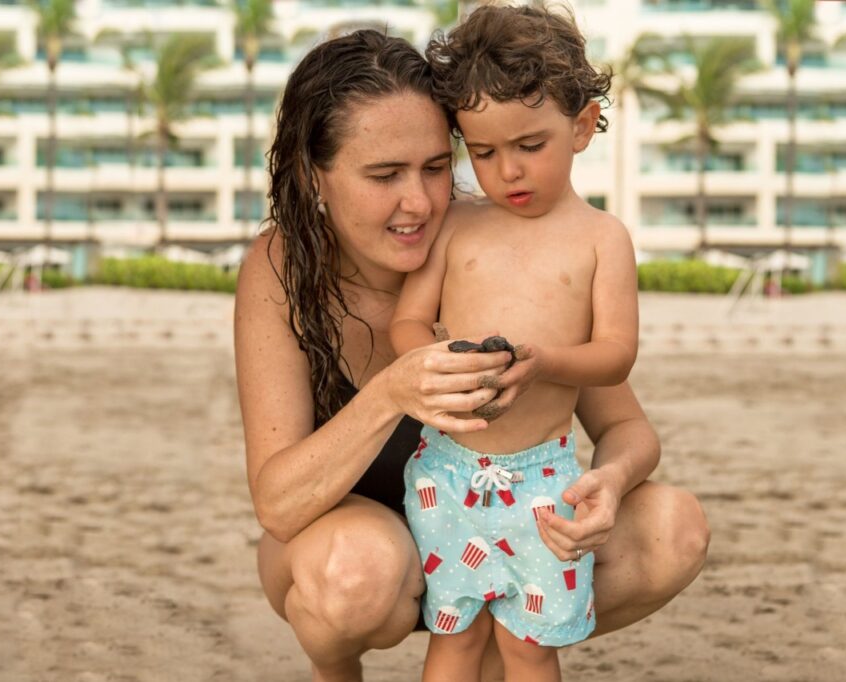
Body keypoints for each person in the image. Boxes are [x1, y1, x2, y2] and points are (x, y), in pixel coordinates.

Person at [234, 28, 709, 682]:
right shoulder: (281, 268)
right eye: (383, 175)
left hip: (502, 530)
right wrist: (395, 392)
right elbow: (279, 506)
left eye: (436, 167)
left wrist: (611, 481)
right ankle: (337, 674)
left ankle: (498, 641)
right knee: (354, 574)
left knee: (671, 529)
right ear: (316, 174)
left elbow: (626, 426)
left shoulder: (495, 242)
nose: (421, 203)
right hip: (353, 554)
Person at [388, 6, 637, 680]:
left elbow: (617, 352)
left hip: (542, 479)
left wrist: (549, 360)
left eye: (530, 146)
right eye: (484, 152)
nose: (508, 173)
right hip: (447, 472)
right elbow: (407, 323)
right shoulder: (457, 226)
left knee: (530, 644)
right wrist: (438, 363)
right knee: (457, 638)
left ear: (582, 125)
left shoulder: (600, 238)